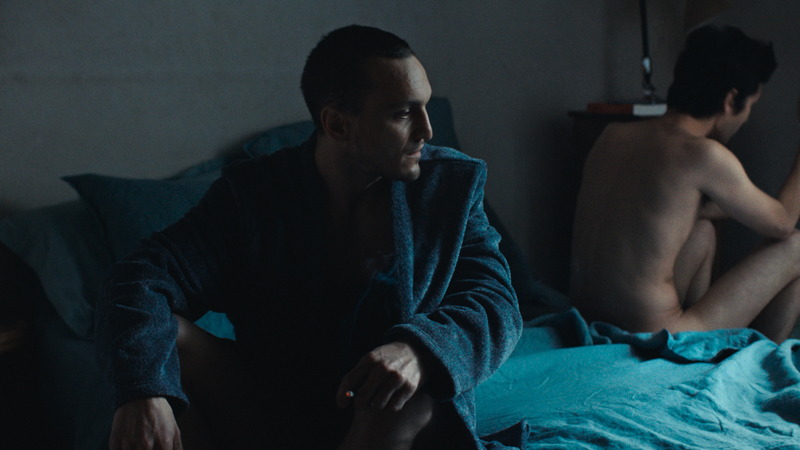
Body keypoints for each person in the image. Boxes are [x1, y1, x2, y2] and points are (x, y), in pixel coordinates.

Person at [95, 25, 522, 449]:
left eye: (425, 107)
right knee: (166, 339)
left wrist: (419, 352)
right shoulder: (255, 195)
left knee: (399, 397)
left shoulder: (448, 189)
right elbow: (142, 277)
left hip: (391, 415)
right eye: (403, 113)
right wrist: (144, 390)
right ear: (337, 124)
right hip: (280, 409)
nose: (427, 130)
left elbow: (496, 301)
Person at [570, 24, 800, 343]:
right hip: (655, 333)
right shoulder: (703, 154)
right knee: (796, 246)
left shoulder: (613, 135)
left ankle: (708, 347)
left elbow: (662, 209)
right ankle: (757, 357)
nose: (746, 117)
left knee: (702, 231)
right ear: (731, 99)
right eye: (750, 106)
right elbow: (784, 223)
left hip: (588, 316)